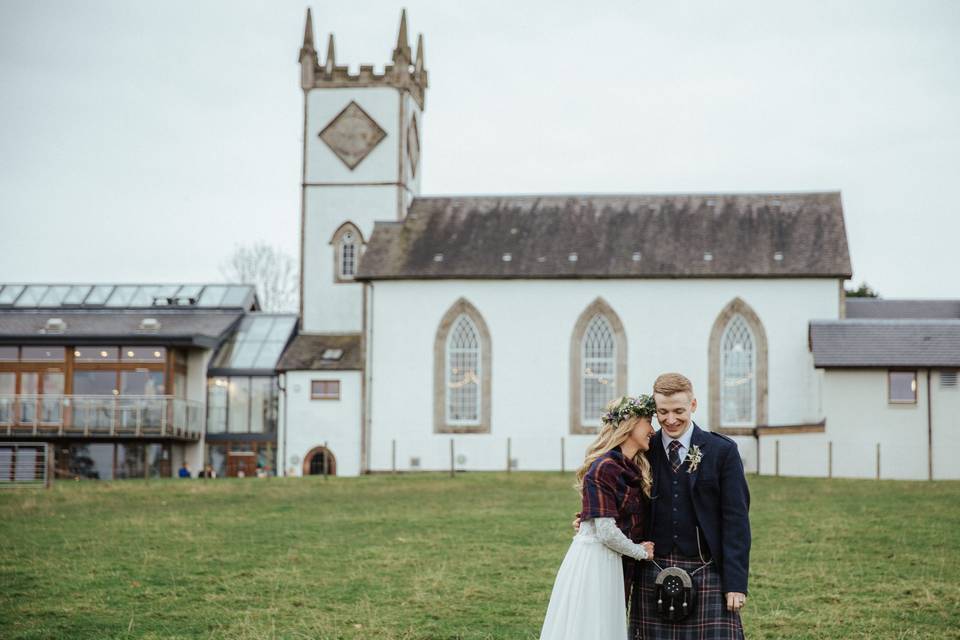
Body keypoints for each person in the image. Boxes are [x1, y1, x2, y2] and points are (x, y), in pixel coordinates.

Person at [631, 372, 751, 640]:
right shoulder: (643, 450)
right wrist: (591, 516)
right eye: (662, 412)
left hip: (707, 567)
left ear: (693, 405)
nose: (670, 419)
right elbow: (621, 497)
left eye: (678, 411)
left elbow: (736, 521)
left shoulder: (722, 451)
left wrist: (736, 584)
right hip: (653, 568)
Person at [540, 395, 658, 640]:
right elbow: (605, 530)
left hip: (616, 561)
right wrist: (640, 551)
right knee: (593, 627)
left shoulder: (636, 466)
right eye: (648, 421)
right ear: (630, 423)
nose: (653, 430)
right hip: (598, 562)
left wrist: (586, 517)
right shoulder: (605, 466)